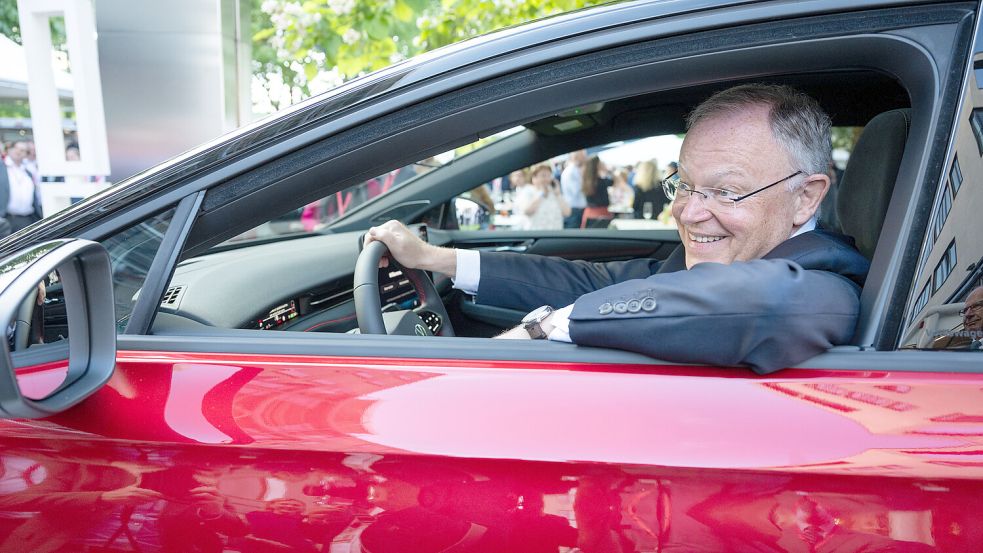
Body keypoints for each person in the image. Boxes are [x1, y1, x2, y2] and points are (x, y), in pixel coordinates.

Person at [365, 83, 870, 373]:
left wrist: (545, 328)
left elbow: (760, 306)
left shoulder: (826, 280)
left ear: (807, 196)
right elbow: (600, 285)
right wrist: (437, 260)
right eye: (687, 184)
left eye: (725, 191)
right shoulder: (744, 251)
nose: (690, 212)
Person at [1, 140, 42, 232]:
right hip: (6, 219)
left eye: (23, 150)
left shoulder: (27, 173)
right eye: (17, 148)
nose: (19, 152)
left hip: (27, 219)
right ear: (9, 149)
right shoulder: (1, 168)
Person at [513, 164, 570, 230]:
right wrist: (541, 194)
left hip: (555, 235)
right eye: (543, 175)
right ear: (534, 178)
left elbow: (567, 212)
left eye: (549, 175)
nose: (547, 179)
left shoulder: (554, 192)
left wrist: (558, 194)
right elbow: (526, 211)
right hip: (537, 235)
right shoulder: (528, 191)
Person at [580, 156, 612, 227]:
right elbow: (612, 182)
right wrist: (606, 171)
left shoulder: (586, 180)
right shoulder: (601, 182)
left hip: (589, 213)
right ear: (597, 166)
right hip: (601, 214)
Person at [560, 150, 587, 228]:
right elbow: (576, 191)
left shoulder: (574, 170)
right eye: (583, 156)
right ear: (576, 157)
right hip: (574, 210)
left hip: (576, 209)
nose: (585, 158)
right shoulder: (571, 171)